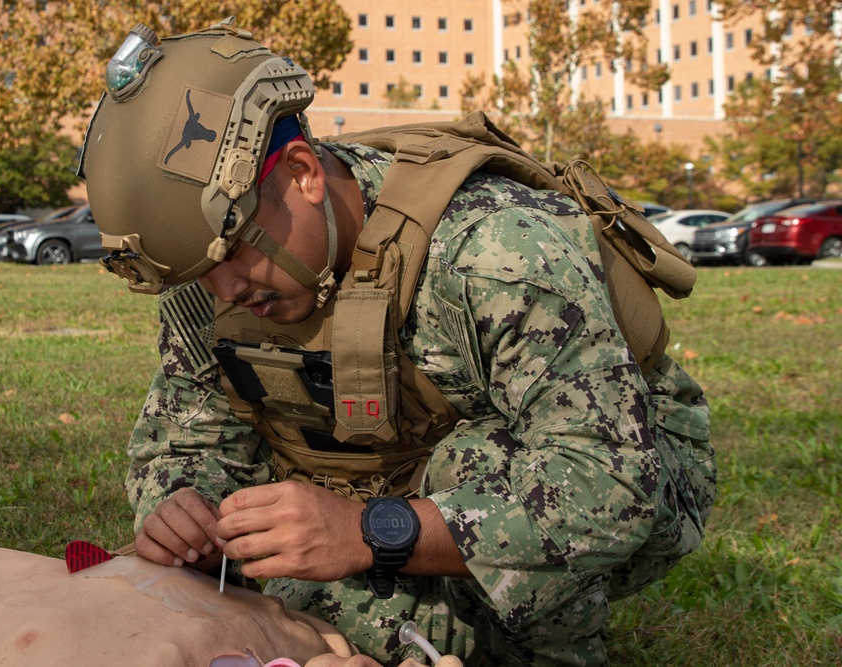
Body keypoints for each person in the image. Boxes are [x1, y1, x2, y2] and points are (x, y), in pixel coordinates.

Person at [79, 18, 716, 667]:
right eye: (196, 273)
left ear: (302, 173)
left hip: (628, 461)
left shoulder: (493, 252)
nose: (224, 290)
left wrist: (370, 532)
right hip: (385, 477)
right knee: (300, 608)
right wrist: (183, 508)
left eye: (235, 251)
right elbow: (186, 440)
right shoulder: (208, 271)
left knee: (473, 466)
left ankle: (541, 644)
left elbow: (609, 482)